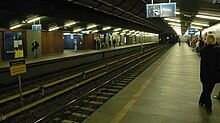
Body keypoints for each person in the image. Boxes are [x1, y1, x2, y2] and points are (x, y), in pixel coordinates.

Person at [199, 34, 220, 110]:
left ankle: (202, 100)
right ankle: (208, 105)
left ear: (206, 40)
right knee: (209, 89)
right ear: (215, 41)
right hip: (214, 74)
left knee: (205, 88)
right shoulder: (218, 51)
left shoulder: (203, 50)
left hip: (204, 74)